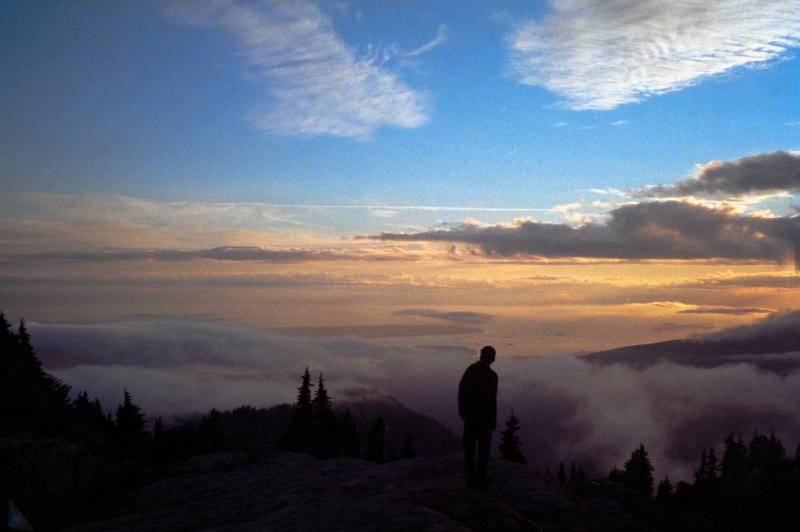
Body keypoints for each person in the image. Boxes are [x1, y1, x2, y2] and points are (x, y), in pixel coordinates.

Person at [458, 345, 498, 487]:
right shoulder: (492, 377)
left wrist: (462, 412)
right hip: (484, 419)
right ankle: (480, 478)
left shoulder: (471, 371)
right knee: (483, 449)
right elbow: (493, 401)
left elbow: (461, 392)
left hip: (471, 417)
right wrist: (493, 421)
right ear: (492, 358)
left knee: (470, 448)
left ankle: (470, 477)